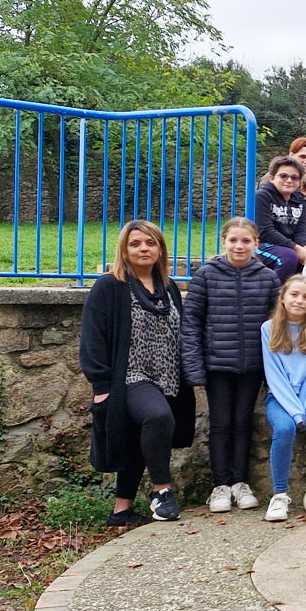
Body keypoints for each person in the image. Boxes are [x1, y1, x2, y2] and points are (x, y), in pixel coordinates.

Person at [82, 221, 196, 526]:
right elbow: (93, 338)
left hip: (168, 378)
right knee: (158, 417)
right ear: (124, 249)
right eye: (135, 244)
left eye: (150, 243)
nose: (143, 249)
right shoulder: (109, 286)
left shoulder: (168, 287)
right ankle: (162, 491)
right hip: (129, 377)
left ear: (160, 249)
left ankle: (121, 510)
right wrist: (101, 384)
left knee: (139, 437)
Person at [182, 217, 278, 514]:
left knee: (243, 422)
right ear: (223, 242)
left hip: (252, 365)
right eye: (233, 240)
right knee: (221, 424)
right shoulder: (207, 275)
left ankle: (240, 483)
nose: (239, 246)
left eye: (246, 241)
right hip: (217, 366)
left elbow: (277, 325)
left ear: (256, 245)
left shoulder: (268, 278)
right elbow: (191, 322)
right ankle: (220, 486)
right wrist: (195, 368)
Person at [260, 275, 306, 522]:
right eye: (294, 294)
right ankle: (279, 494)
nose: (299, 301)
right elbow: (274, 374)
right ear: (282, 298)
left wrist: (303, 408)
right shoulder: (269, 328)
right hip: (280, 396)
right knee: (283, 428)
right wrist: (295, 413)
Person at [254, 156, 306, 280]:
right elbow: (265, 231)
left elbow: (300, 230)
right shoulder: (262, 197)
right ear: (271, 178)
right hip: (260, 245)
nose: (289, 180)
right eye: (283, 176)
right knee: (288, 257)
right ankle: (275, 295)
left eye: (294, 177)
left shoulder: (299, 200)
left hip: (286, 245)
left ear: (299, 182)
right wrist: (296, 248)